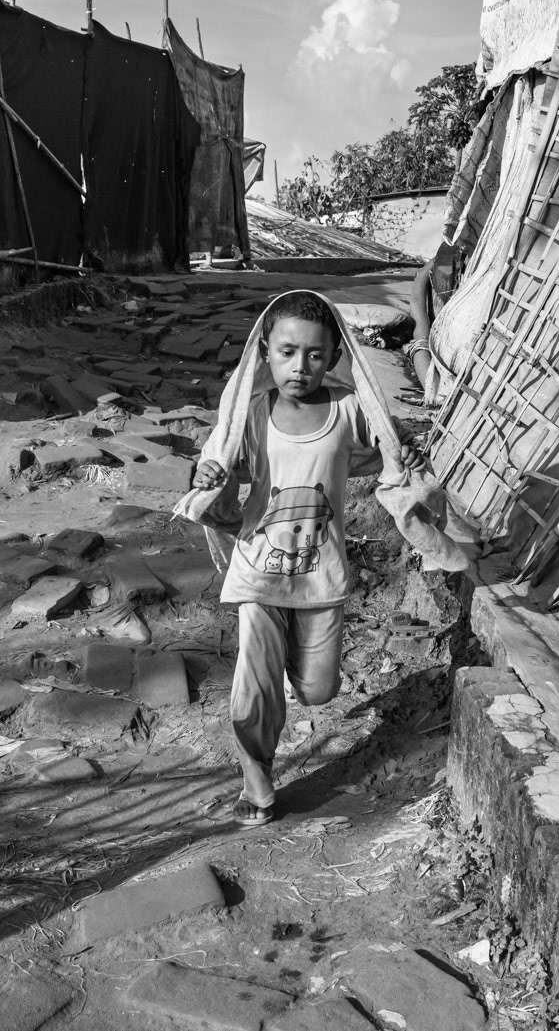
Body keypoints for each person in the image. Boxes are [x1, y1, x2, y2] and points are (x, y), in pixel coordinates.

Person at [192, 290, 425, 827]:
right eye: (287, 352)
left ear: (335, 356)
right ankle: (257, 783)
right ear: (265, 354)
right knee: (253, 687)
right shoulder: (252, 414)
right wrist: (207, 476)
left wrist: (405, 450)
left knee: (319, 690)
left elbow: (385, 451)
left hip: (321, 576)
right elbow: (220, 466)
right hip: (260, 571)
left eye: (315, 354)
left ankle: (289, 677)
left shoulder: (348, 409)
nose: (300, 366)